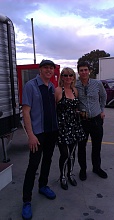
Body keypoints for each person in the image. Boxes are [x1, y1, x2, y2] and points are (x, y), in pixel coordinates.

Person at [21, 60, 58, 220]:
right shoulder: (30, 86)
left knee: (48, 160)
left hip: (51, 132)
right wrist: (30, 135)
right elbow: (26, 112)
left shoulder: (51, 86)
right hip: (38, 133)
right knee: (33, 165)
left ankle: (43, 186)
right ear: (40, 69)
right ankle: (26, 201)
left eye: (51, 68)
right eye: (46, 68)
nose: (49, 70)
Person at [76, 61, 108, 181]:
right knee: (81, 146)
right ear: (78, 72)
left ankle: (97, 168)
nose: (84, 72)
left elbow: (104, 96)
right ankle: (82, 169)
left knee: (96, 146)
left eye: (85, 70)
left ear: (89, 71)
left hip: (96, 119)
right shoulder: (76, 85)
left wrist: (101, 109)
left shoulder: (97, 83)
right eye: (81, 70)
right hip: (82, 121)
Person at [55, 67, 85, 190]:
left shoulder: (75, 91)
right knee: (64, 154)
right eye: (65, 75)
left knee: (72, 154)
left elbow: (75, 108)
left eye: (71, 75)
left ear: (73, 77)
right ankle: (62, 176)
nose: (68, 78)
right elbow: (53, 110)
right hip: (62, 127)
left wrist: (79, 113)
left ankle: (70, 174)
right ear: (62, 77)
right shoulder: (57, 91)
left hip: (74, 126)